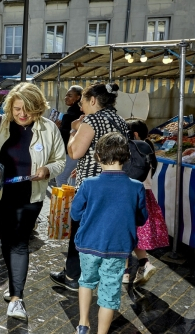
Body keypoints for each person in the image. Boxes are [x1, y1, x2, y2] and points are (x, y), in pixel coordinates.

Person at [0, 82, 65, 320]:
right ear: (10, 107)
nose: (22, 114)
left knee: (19, 242)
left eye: (28, 109)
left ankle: (16, 298)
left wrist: (47, 169)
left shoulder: (48, 129)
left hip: (31, 196)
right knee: (6, 241)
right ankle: (14, 283)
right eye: (17, 109)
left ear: (38, 108)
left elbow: (60, 160)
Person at [72, 132, 147, 334]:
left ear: (97, 156)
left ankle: (83, 325)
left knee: (86, 281)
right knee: (109, 293)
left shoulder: (88, 184)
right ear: (126, 157)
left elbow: (75, 213)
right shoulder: (136, 187)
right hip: (117, 248)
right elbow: (141, 218)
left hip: (88, 244)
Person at [49, 82, 129, 291]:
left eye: (83, 102)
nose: (81, 107)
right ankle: (100, 276)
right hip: (117, 184)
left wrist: (73, 132)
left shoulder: (92, 120)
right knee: (104, 231)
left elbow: (74, 152)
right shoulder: (120, 121)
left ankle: (73, 276)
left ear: (92, 100)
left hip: (92, 187)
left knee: (80, 230)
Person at [123, 118, 168, 285]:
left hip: (129, 194)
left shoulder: (131, 148)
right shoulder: (148, 148)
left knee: (125, 232)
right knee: (135, 234)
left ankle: (126, 272)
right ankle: (145, 264)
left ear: (134, 134)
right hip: (145, 194)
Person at [54, 86, 84, 186]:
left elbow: (66, 135)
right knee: (72, 180)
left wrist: (58, 128)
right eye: (66, 95)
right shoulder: (76, 112)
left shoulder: (73, 115)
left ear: (78, 97)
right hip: (76, 151)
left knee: (61, 178)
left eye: (70, 95)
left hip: (71, 152)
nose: (66, 97)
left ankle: (65, 201)